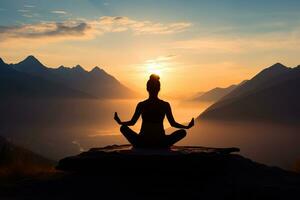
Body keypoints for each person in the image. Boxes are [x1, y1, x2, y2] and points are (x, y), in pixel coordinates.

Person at [114, 74, 194, 148]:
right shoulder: (165, 105)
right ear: (159, 89)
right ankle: (161, 145)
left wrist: (120, 122)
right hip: (160, 142)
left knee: (123, 128)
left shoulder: (142, 104)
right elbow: (173, 123)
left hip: (142, 142)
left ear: (147, 88)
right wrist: (186, 127)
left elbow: (132, 122)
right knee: (182, 132)